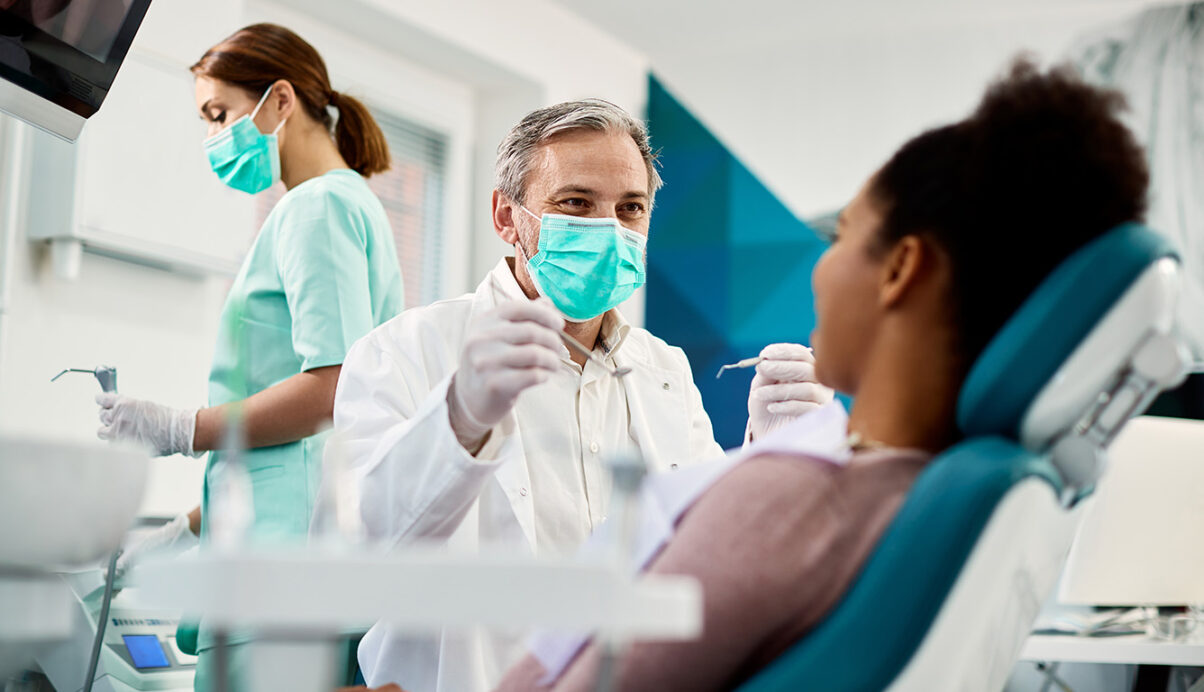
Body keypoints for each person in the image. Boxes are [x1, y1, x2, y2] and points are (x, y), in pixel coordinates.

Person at [482, 58, 1150, 691]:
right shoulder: (938, 486)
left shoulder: (786, 500)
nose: (819, 270)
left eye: (842, 237)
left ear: (901, 270)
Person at [323, 99, 832, 692]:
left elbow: (708, 561)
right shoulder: (407, 350)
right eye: (576, 203)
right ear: (506, 218)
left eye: (630, 208)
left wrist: (764, 460)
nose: (608, 229)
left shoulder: (663, 368)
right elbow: (353, 556)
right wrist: (458, 420)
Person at [94, 23, 404, 691]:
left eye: (220, 114)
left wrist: (182, 429)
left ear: (281, 100)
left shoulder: (316, 210)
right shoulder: (353, 207)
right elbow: (302, 453)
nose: (214, 137)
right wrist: (185, 529)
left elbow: (330, 390)